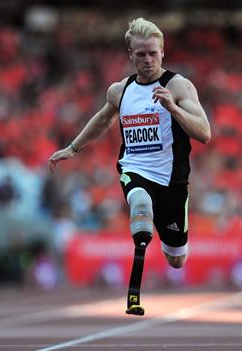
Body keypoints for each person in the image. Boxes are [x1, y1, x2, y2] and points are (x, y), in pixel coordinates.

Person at [49, 17, 210, 309]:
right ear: (130, 55)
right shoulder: (119, 91)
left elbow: (204, 133)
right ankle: (138, 266)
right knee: (140, 202)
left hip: (172, 180)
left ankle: (161, 233)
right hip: (135, 168)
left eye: (152, 53)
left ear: (163, 51)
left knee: (176, 260)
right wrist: (73, 148)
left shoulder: (179, 86)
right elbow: (102, 118)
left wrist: (173, 108)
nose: (147, 60)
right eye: (140, 54)